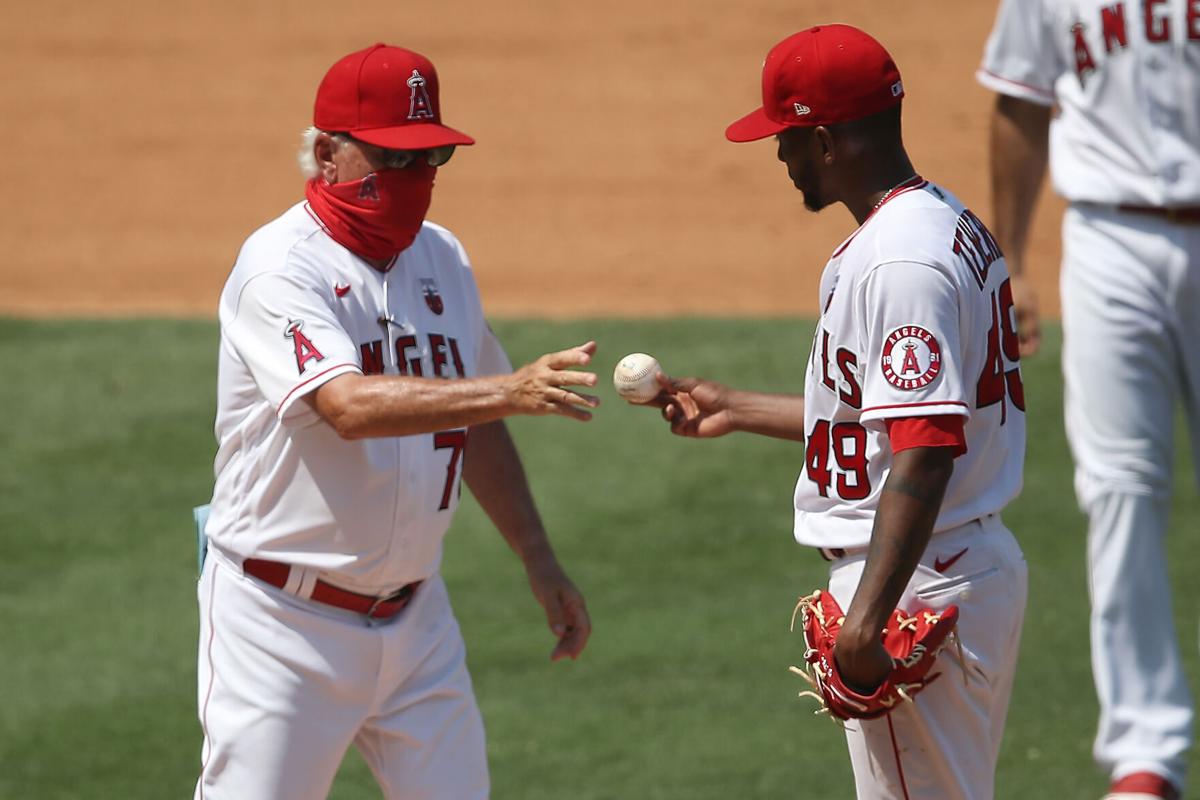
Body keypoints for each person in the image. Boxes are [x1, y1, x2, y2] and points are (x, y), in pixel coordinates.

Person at [195, 43, 596, 800]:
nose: (417, 180)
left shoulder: (442, 257)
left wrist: (539, 560)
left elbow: (475, 425)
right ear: (326, 154)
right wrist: (505, 391)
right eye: (394, 159)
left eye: (432, 156)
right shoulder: (280, 268)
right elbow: (344, 406)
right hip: (281, 627)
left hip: (418, 624)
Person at [643, 25, 1029, 798]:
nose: (780, 159)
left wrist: (867, 621)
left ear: (825, 140)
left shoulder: (898, 262)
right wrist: (737, 407)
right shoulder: (940, 221)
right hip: (955, 562)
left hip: (917, 579)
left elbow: (924, 447)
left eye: (785, 140)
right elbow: (889, 419)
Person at [977, 2, 1200, 797]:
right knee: (1119, 488)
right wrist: (1013, 262)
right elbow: (1021, 99)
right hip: (1110, 241)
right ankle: (1146, 753)